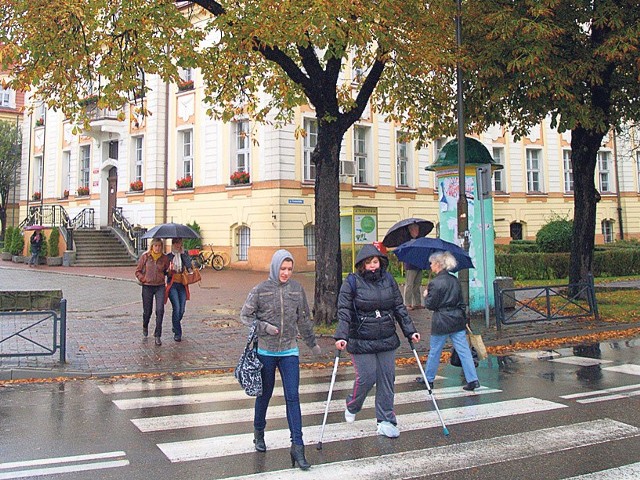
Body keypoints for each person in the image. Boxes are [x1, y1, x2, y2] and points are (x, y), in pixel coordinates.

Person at [240, 249, 321, 470]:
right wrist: (264, 327)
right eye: (282, 269)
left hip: (289, 350)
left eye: (289, 269)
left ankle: (298, 446)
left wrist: (312, 343)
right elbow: (245, 316)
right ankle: (259, 432)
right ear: (275, 267)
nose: (286, 273)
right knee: (264, 395)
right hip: (266, 351)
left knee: (293, 397)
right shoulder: (260, 290)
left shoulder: (296, 289)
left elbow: (304, 318)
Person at [334, 244, 421, 439]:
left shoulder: (388, 280)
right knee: (366, 377)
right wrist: (341, 335)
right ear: (361, 265)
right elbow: (344, 311)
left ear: (380, 263)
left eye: (375, 262)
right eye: (368, 263)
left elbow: (399, 307)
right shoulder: (352, 282)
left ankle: (386, 420)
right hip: (361, 338)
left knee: (387, 379)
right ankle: (353, 404)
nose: (372, 266)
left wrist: (410, 331)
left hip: (386, 338)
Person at [421, 250, 480, 391]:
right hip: (456, 320)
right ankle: (473, 379)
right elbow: (461, 301)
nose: (430, 266)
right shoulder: (455, 280)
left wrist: (426, 295)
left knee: (435, 351)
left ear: (437, 264)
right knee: (464, 350)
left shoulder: (435, 283)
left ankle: (429, 379)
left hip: (441, 320)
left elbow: (430, 305)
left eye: (431, 263)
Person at [135, 238, 171, 346]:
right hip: (147, 286)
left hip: (160, 286)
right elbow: (138, 271)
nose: (157, 248)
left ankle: (158, 334)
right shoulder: (145, 257)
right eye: (155, 246)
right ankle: (145, 325)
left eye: (159, 246)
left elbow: (166, 272)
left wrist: (169, 272)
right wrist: (143, 279)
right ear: (152, 247)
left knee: (160, 310)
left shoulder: (164, 258)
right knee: (147, 311)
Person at [166, 238, 194, 342]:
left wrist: (183, 254)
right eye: (176, 244)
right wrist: (169, 269)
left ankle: (175, 323)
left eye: (180, 244)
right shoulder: (168, 256)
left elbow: (189, 267)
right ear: (173, 244)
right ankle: (178, 333)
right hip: (172, 284)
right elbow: (165, 271)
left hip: (182, 283)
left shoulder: (183, 255)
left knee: (182, 309)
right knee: (176, 307)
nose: (178, 246)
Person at [404, 223, 423, 310]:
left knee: (417, 285)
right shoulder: (407, 240)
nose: (417, 231)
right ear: (411, 230)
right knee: (409, 285)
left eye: (418, 229)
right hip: (410, 265)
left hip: (419, 264)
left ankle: (417, 303)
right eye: (415, 229)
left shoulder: (420, 239)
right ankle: (407, 303)